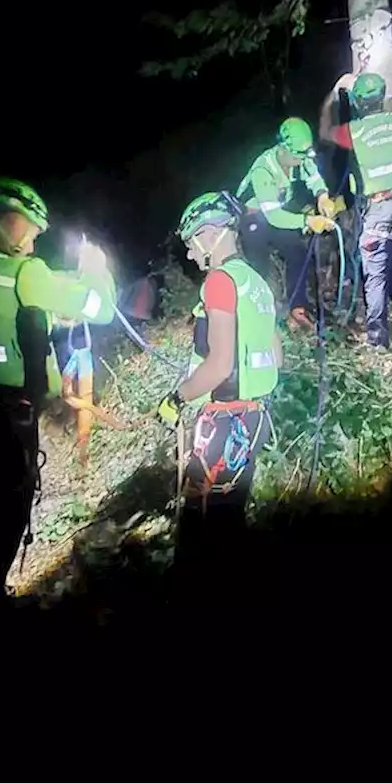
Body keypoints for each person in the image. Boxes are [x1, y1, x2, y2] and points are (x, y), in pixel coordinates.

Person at [0, 175, 115, 641]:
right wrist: (97, 271)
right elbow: (97, 308)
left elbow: (12, 316)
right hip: (2, 417)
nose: (35, 238)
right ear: (4, 219)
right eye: (32, 227)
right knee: (3, 522)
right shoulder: (22, 272)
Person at [156, 192, 282, 582]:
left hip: (224, 425)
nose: (192, 255)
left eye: (192, 243)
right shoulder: (257, 283)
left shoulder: (219, 282)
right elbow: (276, 356)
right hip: (255, 420)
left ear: (211, 234)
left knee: (200, 530)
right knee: (229, 522)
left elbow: (220, 363)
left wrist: (176, 399)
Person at [318, 71, 392, 348]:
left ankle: (378, 343)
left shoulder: (354, 131)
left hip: (380, 210)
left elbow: (323, 131)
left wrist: (333, 94)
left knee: (375, 277)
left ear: (356, 102)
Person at [234, 117, 339, 331]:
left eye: (304, 155)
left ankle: (297, 307)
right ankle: (258, 315)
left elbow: (314, 176)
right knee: (259, 265)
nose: (302, 160)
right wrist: (307, 220)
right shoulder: (263, 170)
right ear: (282, 148)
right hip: (253, 216)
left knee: (297, 252)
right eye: (298, 156)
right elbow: (273, 217)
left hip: (275, 212)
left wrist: (322, 195)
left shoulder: (298, 158)